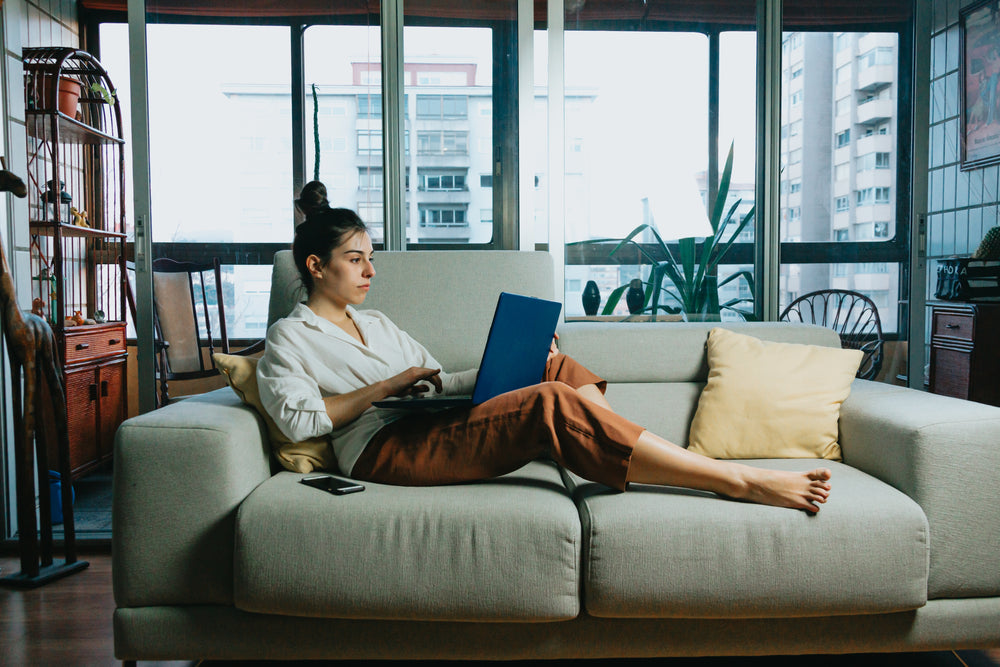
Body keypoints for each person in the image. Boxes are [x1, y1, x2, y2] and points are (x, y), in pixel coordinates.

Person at [257, 182, 833, 513]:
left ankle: (618, 447)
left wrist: (511, 362)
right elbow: (299, 416)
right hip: (381, 450)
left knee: (552, 366)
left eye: (371, 258)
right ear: (316, 266)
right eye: (356, 259)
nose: (370, 271)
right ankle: (734, 480)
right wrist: (384, 387)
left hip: (424, 423)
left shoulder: (377, 322)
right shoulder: (290, 337)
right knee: (550, 402)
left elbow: (432, 381)